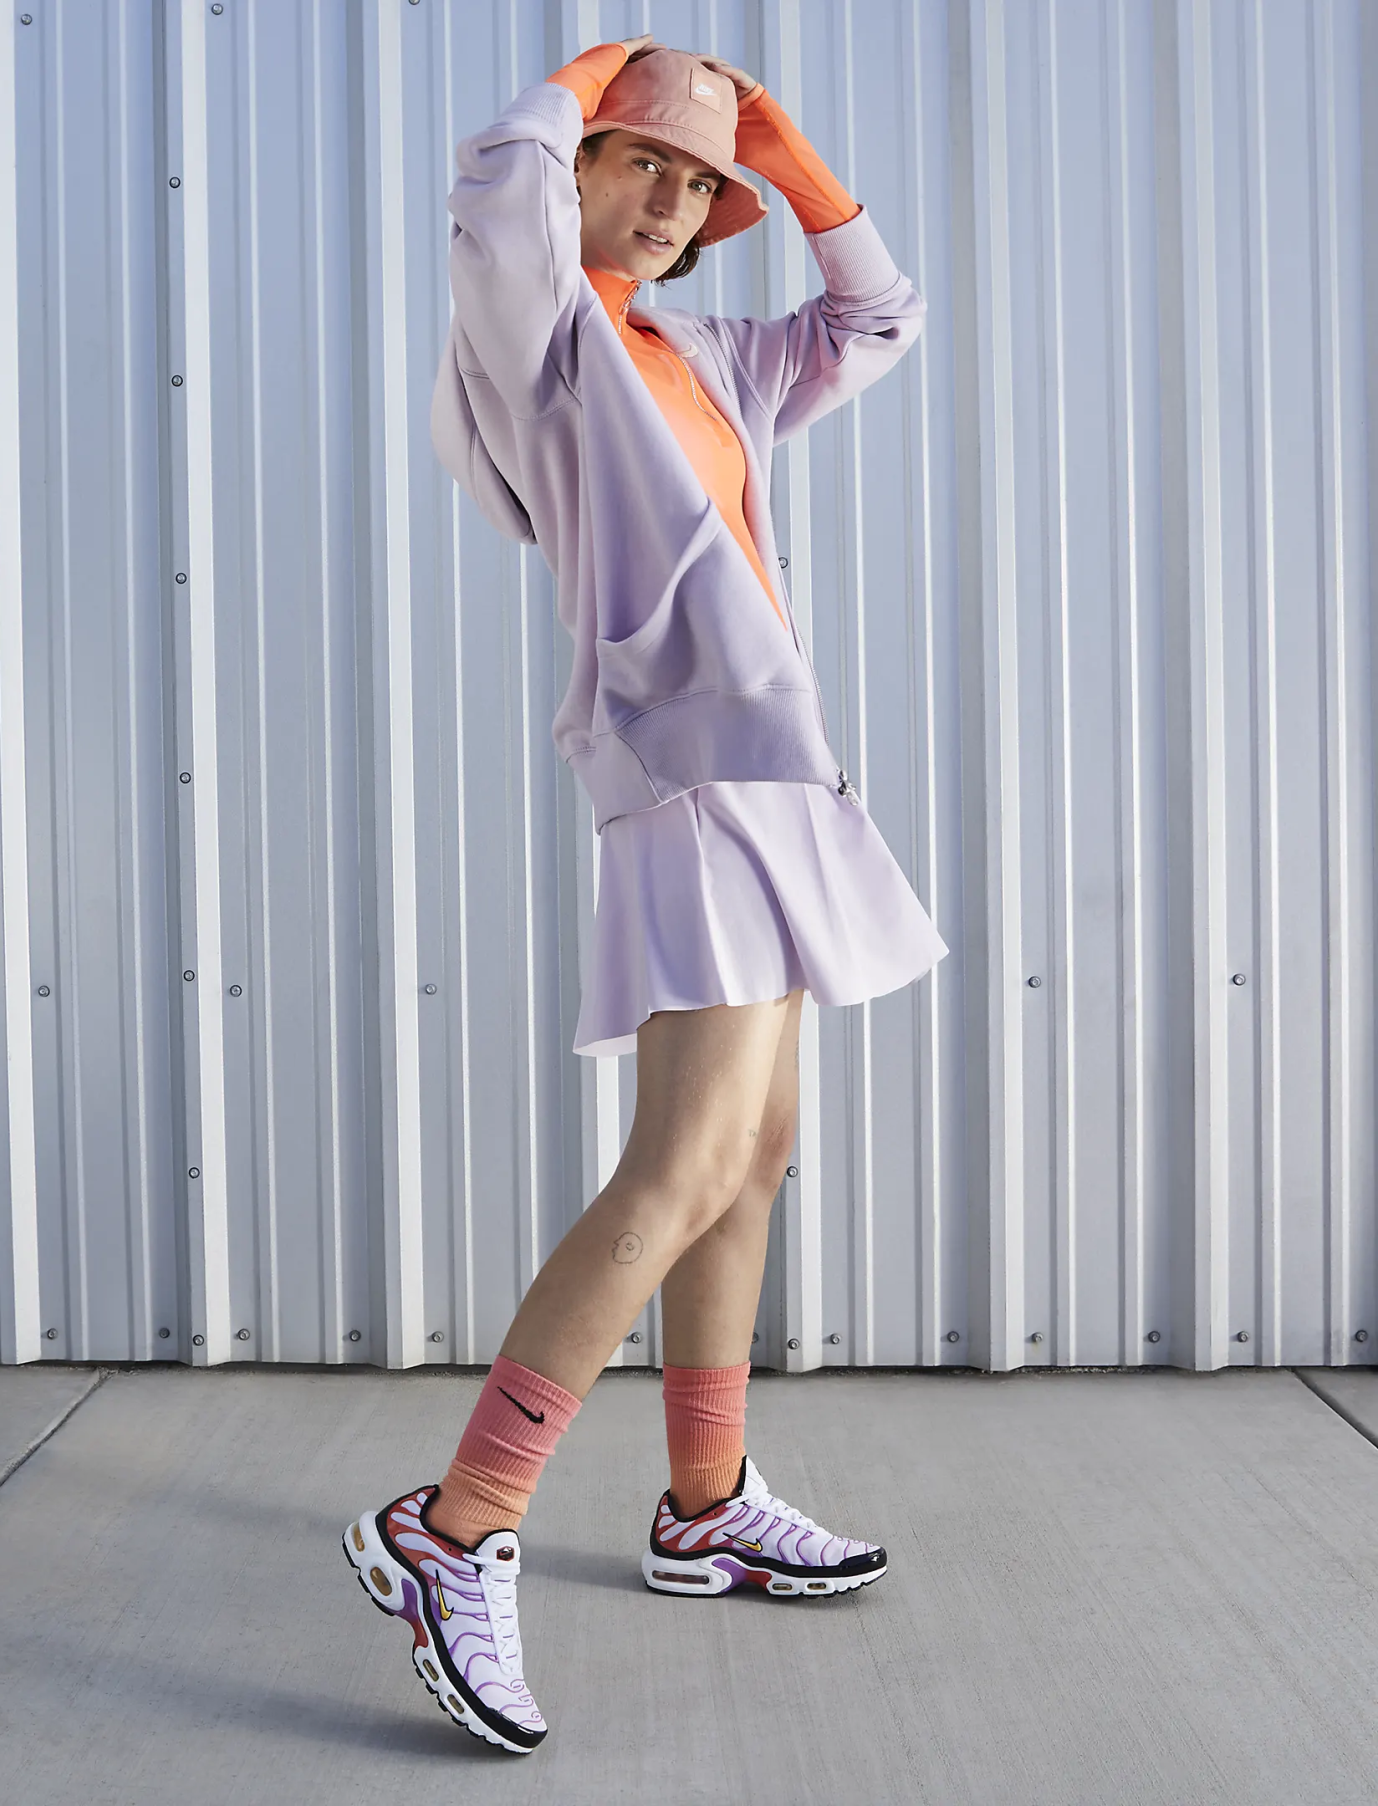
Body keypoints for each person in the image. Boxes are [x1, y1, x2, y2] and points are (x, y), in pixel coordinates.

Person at [343, 37, 947, 1755]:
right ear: (587, 170)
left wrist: (787, 155)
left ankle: (705, 1503)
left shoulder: (713, 355)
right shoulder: (544, 343)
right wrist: (592, 69)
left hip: (783, 774)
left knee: (753, 1156)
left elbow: (878, 320)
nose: (674, 201)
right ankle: (455, 1524)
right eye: (642, 165)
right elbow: (497, 192)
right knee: (679, 1165)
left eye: (698, 184)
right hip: (686, 779)